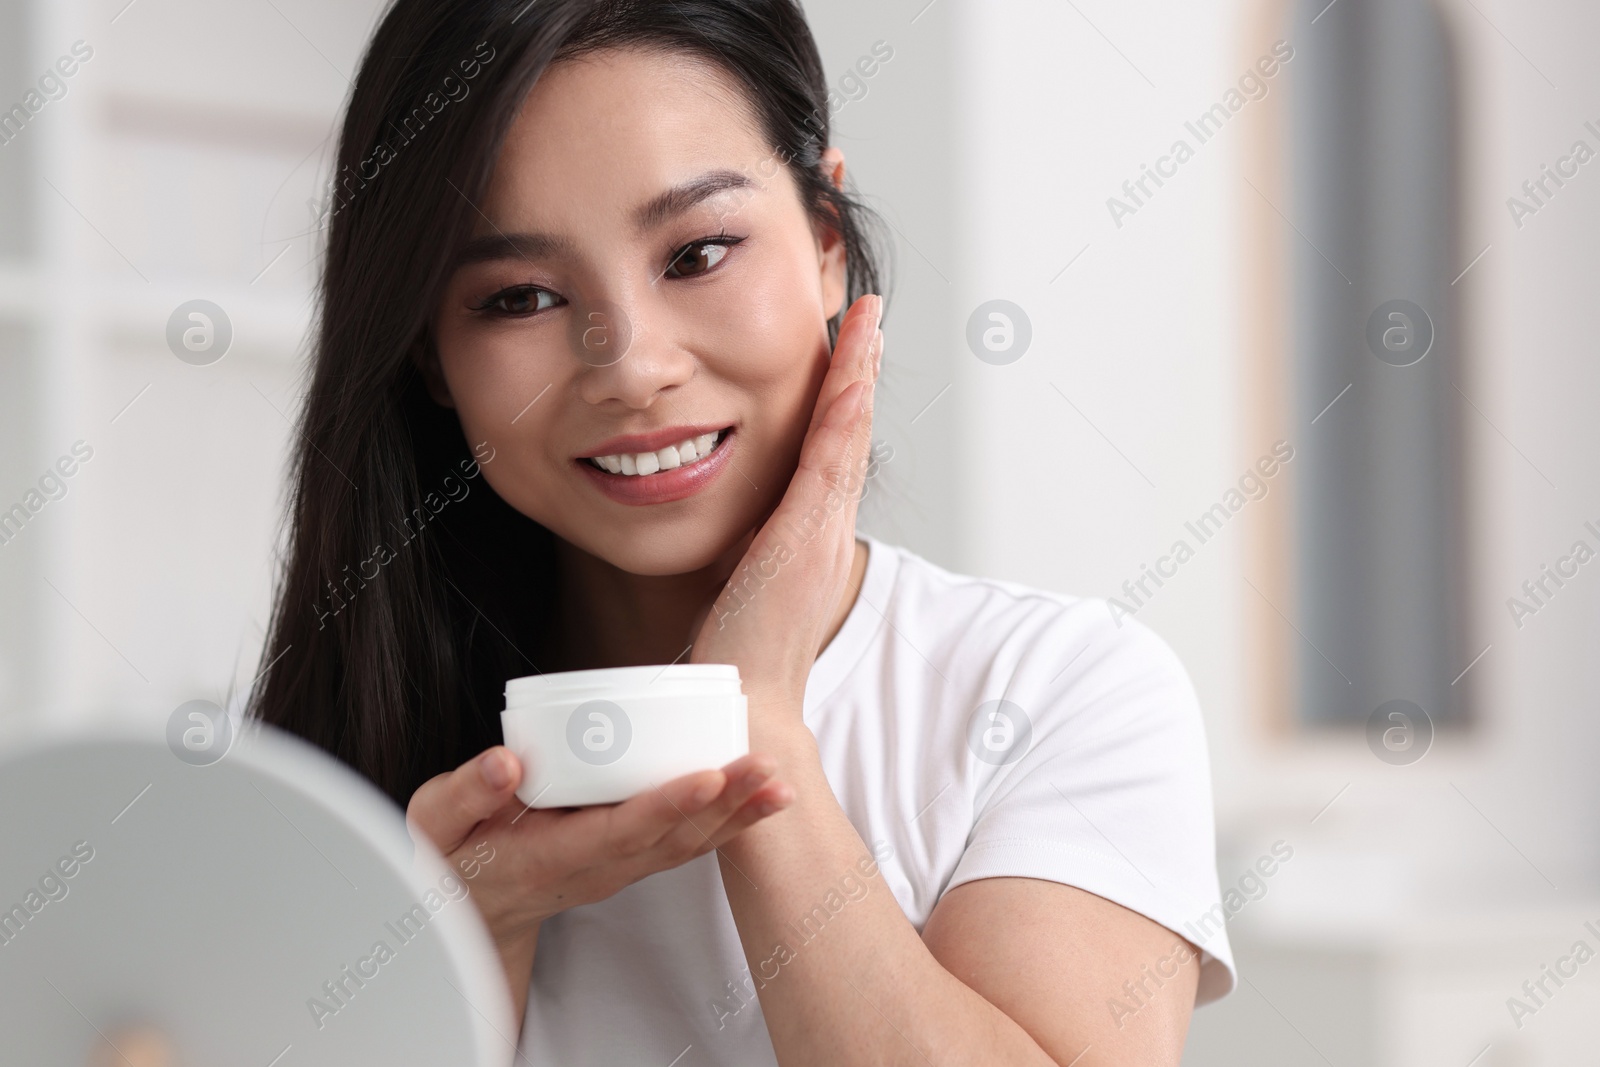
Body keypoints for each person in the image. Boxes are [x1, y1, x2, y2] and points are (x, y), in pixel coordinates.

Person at [244, 1, 1237, 1063]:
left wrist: (755, 719)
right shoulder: (328, 767)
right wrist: (458, 938)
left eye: (698, 252)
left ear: (823, 240)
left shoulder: (1057, 690)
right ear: (431, 355)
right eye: (521, 295)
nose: (628, 363)